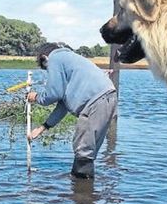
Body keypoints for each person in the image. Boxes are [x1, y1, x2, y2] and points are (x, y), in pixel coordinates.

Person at [26, 42, 117, 179]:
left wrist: (37, 97)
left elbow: (53, 94)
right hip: (107, 98)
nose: (49, 72)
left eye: (47, 69)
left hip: (96, 101)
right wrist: (43, 128)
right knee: (87, 151)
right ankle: (85, 193)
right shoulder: (69, 60)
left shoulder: (55, 59)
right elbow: (63, 104)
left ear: (45, 58)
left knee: (83, 151)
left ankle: (81, 193)